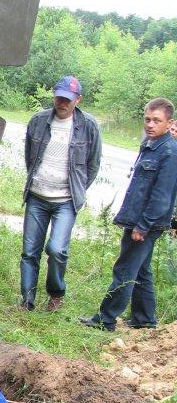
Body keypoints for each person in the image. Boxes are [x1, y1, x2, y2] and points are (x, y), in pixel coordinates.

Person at [81, 98, 177, 331]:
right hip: (137, 219)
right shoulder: (151, 145)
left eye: (157, 121)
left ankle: (106, 319)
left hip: (146, 223)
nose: (150, 125)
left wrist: (143, 226)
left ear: (169, 123)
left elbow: (162, 197)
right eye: (147, 119)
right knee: (141, 270)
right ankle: (144, 319)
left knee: (124, 270)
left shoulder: (169, 152)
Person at [21, 76, 101, 311]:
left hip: (66, 201)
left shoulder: (88, 125)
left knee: (57, 249)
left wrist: (77, 190)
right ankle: (27, 299)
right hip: (37, 196)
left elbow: (93, 165)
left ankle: (56, 294)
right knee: (29, 251)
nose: (62, 102)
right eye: (59, 97)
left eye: (67, 99)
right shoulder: (38, 120)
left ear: (78, 100)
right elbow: (30, 156)